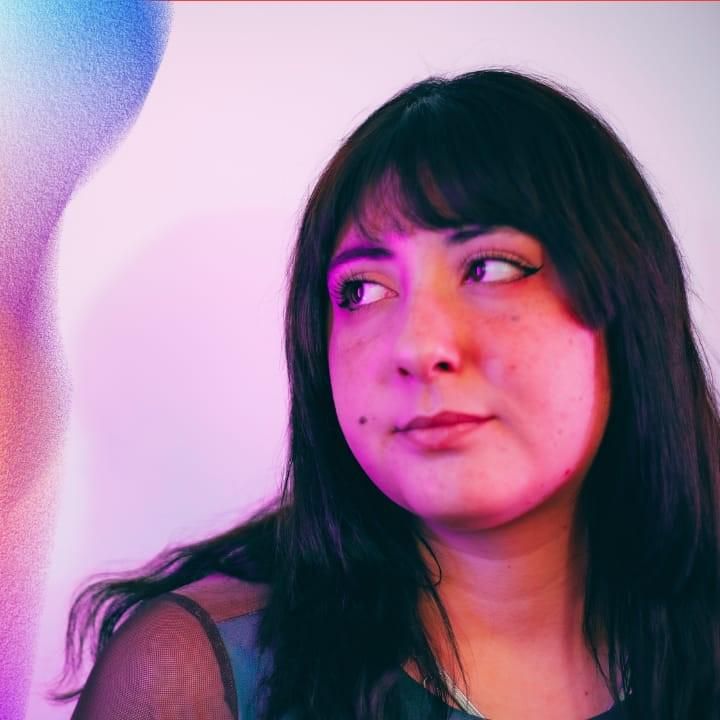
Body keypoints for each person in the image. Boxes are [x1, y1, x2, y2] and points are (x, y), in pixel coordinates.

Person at [50, 68, 719, 720]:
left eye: (489, 267)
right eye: (363, 289)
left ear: (627, 300)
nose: (419, 346)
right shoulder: (198, 675)